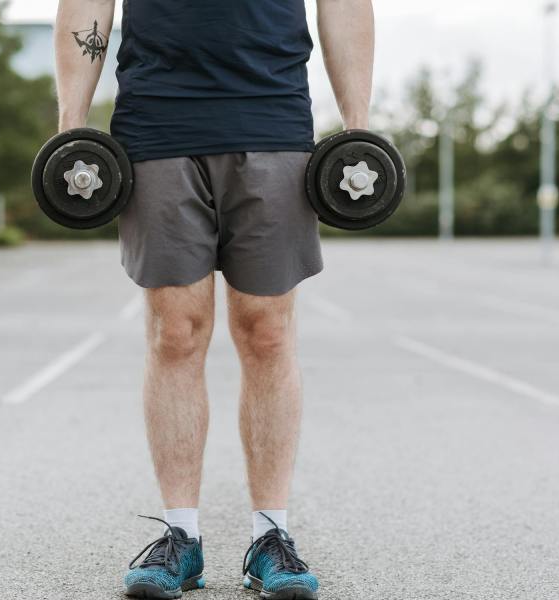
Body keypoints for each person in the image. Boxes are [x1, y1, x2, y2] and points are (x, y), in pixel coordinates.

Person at [54, 1, 374, 597]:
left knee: (267, 330)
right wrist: (72, 121)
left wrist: (356, 123)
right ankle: (180, 538)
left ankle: (270, 537)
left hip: (271, 119)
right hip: (157, 123)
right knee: (175, 330)